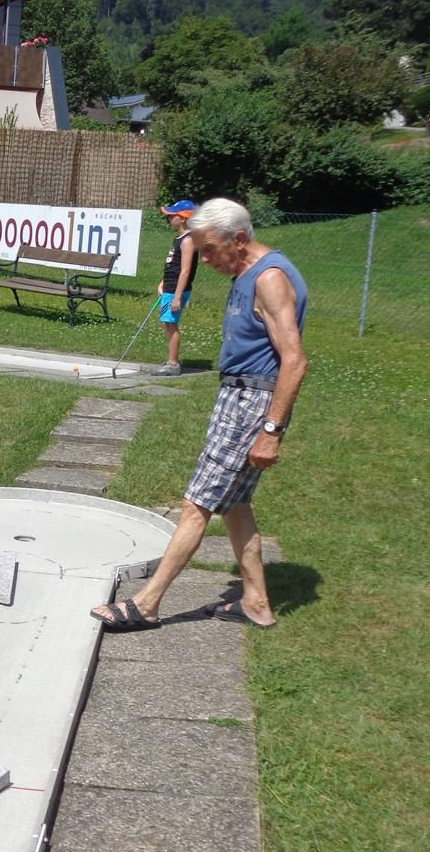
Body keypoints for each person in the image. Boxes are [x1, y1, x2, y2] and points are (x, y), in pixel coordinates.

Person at [91, 197, 308, 633]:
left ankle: (147, 603)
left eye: (209, 250)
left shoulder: (269, 278)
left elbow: (295, 360)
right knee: (235, 504)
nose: (205, 260)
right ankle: (257, 603)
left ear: (239, 239)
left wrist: (271, 431)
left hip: (250, 402)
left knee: (197, 504)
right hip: (239, 395)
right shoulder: (248, 271)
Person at [153, 199, 199, 376]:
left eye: (172, 216)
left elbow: (185, 271)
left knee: (171, 324)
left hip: (176, 291)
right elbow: (174, 266)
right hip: (170, 287)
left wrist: (177, 297)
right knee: (167, 323)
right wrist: (163, 282)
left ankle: (173, 364)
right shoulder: (179, 239)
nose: (169, 219)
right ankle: (172, 360)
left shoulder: (188, 241)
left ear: (183, 218)